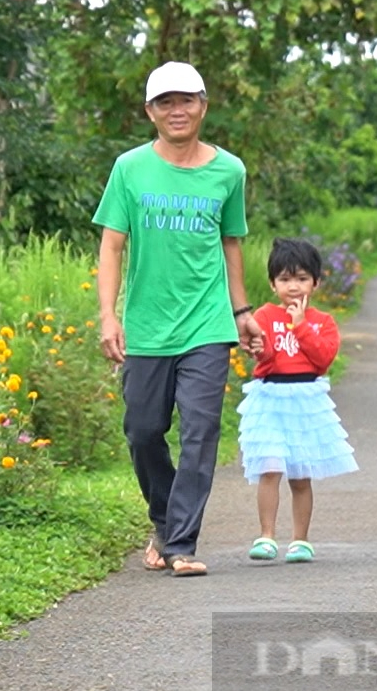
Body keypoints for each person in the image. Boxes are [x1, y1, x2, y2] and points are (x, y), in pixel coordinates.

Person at [95, 61, 264, 578]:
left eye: (186, 100)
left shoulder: (228, 171)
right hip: (146, 327)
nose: (177, 110)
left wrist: (242, 311)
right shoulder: (130, 168)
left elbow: (230, 243)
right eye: (165, 102)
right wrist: (108, 315)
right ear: (150, 112)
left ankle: (181, 544)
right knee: (143, 431)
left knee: (200, 431)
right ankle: (166, 521)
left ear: (203, 106)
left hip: (207, 326)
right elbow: (112, 245)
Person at [236, 237, 358, 563]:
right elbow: (266, 357)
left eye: (302, 279)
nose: (294, 287)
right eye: (285, 279)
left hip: (305, 401)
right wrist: (259, 347)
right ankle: (266, 535)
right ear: (273, 283)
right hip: (271, 398)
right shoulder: (263, 316)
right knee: (270, 467)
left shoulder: (323, 322)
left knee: (300, 474)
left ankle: (300, 540)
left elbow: (322, 359)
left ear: (316, 282)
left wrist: (301, 326)